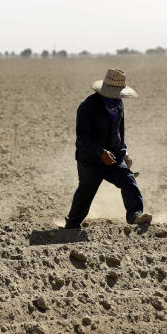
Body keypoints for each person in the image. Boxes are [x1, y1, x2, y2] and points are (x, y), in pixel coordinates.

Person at [64, 68, 151, 229]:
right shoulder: (87, 107)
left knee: (128, 181)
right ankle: (72, 223)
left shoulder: (118, 104)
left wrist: (124, 152)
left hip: (114, 157)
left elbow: (120, 130)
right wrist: (100, 152)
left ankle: (135, 215)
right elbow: (82, 137)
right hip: (90, 159)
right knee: (86, 191)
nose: (117, 96)